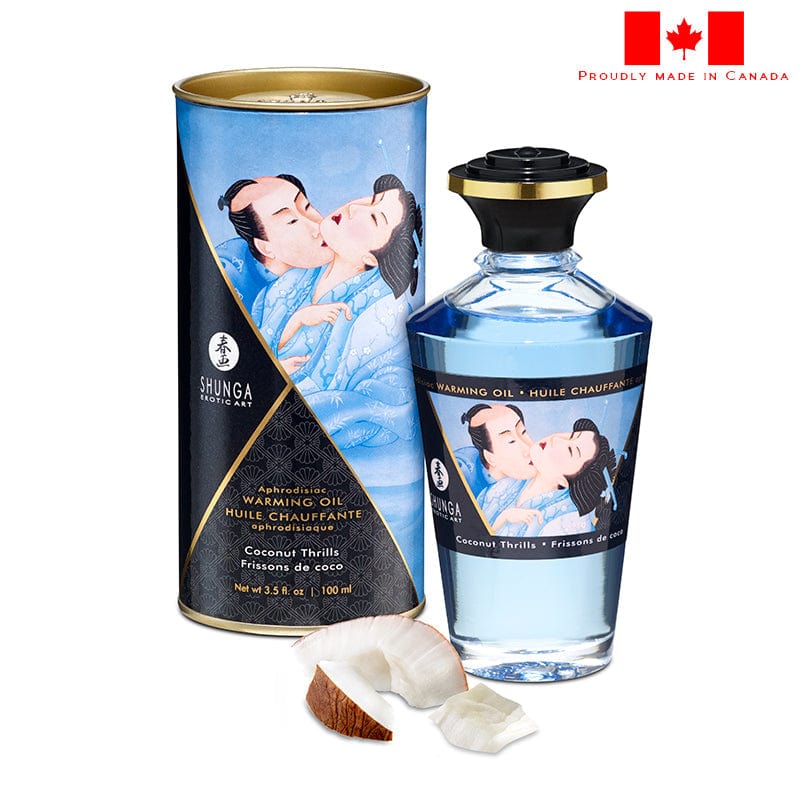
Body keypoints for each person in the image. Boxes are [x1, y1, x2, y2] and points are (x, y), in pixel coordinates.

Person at [478, 418, 617, 537]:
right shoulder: (506, 485)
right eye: (571, 435)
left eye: (570, 450)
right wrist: (504, 517)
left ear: (564, 481)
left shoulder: (569, 522)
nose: (556, 439)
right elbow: (473, 534)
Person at [216, 175, 332, 312]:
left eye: (306, 207)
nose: (317, 226)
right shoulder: (230, 277)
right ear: (265, 248)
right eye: (292, 221)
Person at [456, 403, 534, 497]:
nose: (528, 449)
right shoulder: (462, 472)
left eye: (523, 432)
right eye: (511, 441)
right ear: (490, 458)